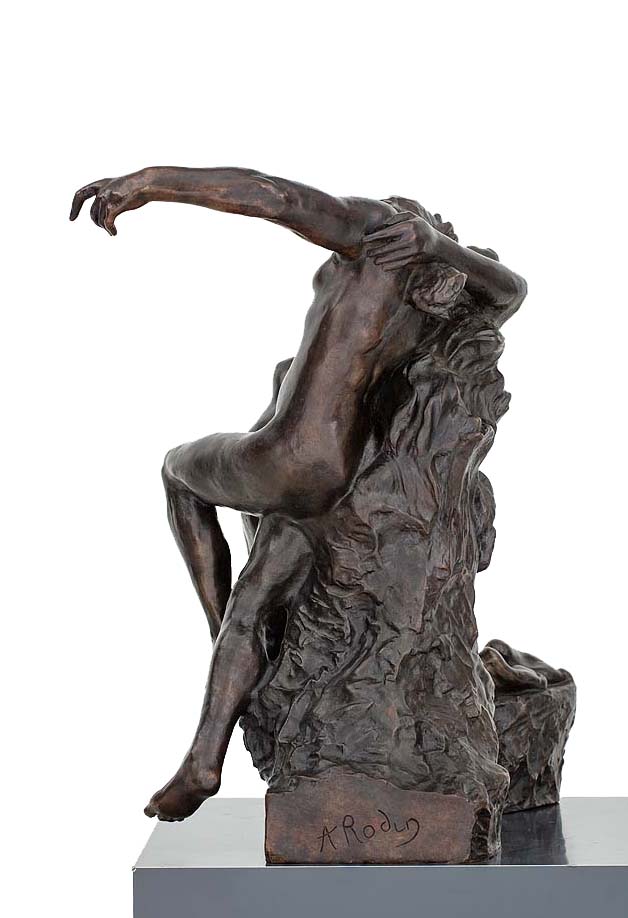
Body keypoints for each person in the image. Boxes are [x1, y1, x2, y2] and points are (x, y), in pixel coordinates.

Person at [71, 167, 527, 819]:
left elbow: (274, 196)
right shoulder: (429, 292)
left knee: (176, 472)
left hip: (290, 459)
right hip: (334, 479)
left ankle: (219, 641)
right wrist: (438, 247)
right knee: (257, 597)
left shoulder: (376, 234)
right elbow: (509, 289)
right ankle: (202, 760)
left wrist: (149, 182)